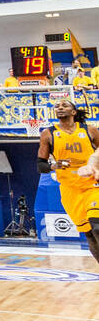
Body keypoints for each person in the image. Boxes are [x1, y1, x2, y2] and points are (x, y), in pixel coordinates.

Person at [43, 98, 99, 264]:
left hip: (91, 185)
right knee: (89, 233)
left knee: (97, 226)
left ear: (73, 112)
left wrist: (93, 165)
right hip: (69, 189)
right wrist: (54, 165)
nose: (60, 107)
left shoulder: (90, 130)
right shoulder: (48, 134)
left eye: (64, 105)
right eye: (57, 106)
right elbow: (40, 165)